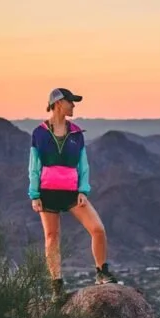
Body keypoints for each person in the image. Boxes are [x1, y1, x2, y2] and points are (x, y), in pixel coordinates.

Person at [28, 87, 117, 303]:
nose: (73, 106)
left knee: (97, 229)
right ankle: (56, 284)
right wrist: (34, 194)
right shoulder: (39, 133)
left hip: (72, 192)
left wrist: (83, 190)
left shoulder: (76, 133)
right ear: (58, 103)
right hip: (47, 192)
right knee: (51, 237)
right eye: (70, 102)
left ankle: (101, 272)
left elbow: (83, 165)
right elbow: (34, 166)